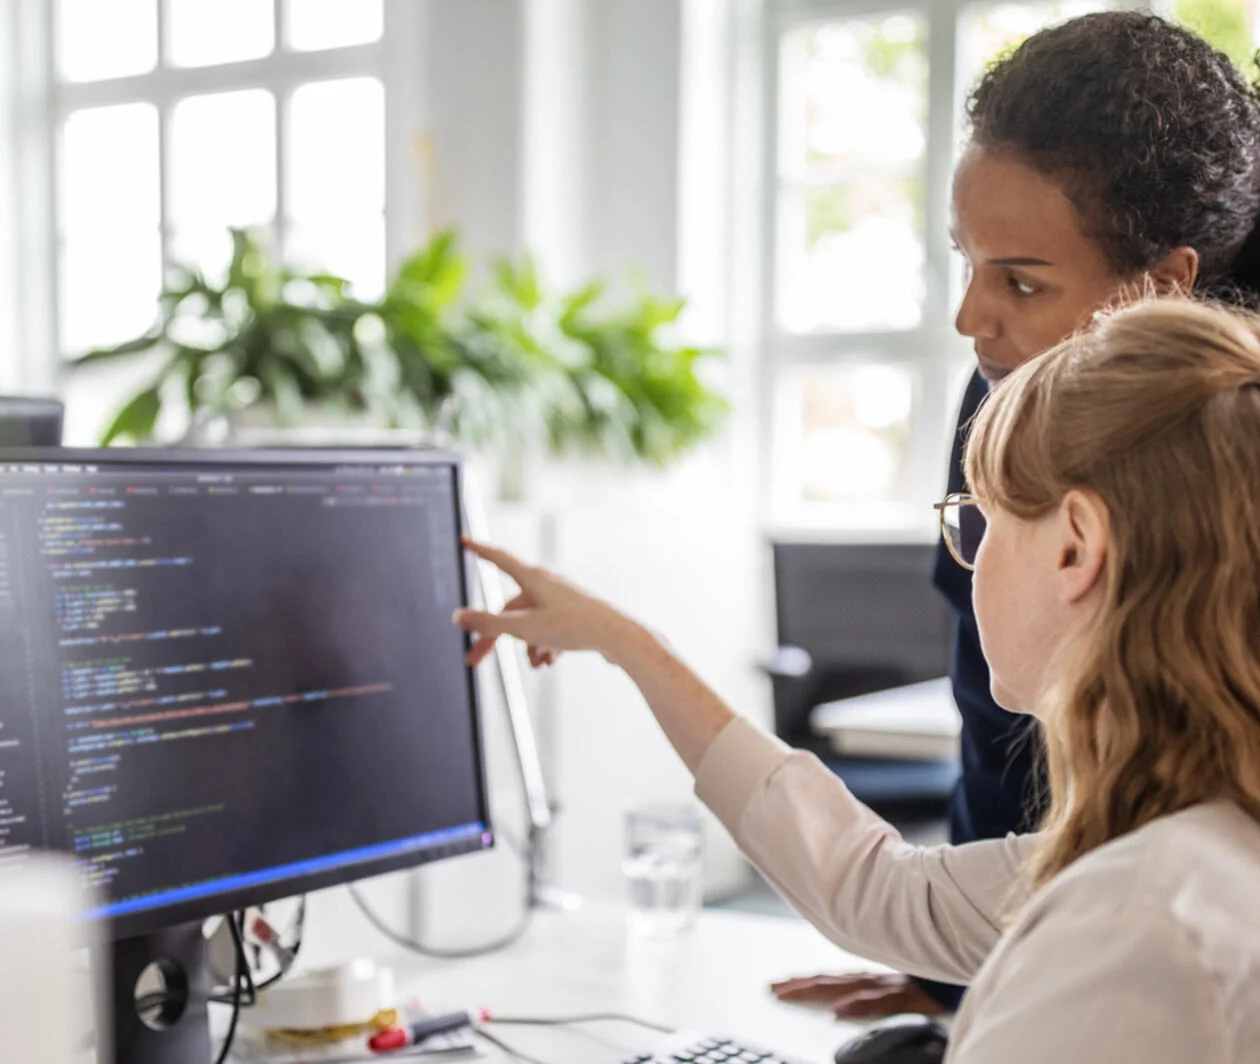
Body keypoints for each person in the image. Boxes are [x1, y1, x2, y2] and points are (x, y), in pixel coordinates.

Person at [454, 296, 1260, 1062]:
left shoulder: (1137, 927)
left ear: (1075, 547)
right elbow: (878, 887)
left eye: (981, 520)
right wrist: (630, 644)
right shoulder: (1192, 843)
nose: (967, 566)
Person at [772, 10, 1260, 1016]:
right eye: (966, 259)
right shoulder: (1004, 384)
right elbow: (995, 717)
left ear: (1164, 285)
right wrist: (966, 971)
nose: (971, 318)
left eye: (1022, 280)